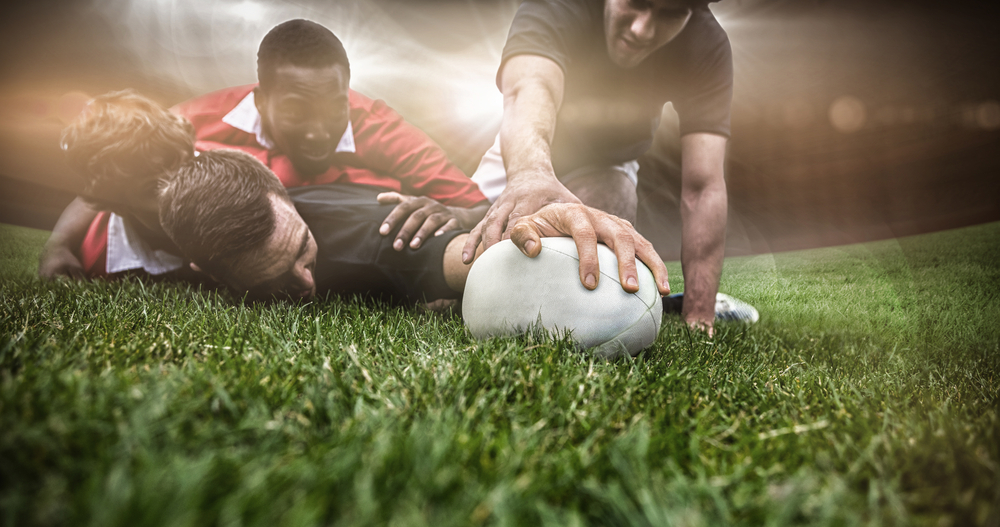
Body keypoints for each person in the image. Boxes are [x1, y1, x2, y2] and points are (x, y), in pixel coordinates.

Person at [38, 19, 488, 280]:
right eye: (296, 111)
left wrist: (456, 214)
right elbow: (112, 171)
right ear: (259, 101)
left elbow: (476, 206)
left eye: (334, 109)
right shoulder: (197, 121)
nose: (317, 132)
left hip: (345, 215)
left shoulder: (379, 129)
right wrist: (58, 245)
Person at [463, 0, 757, 333]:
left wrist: (699, 314)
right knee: (451, 275)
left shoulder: (706, 42)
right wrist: (530, 174)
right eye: (636, 3)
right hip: (524, 151)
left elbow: (703, 186)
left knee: (580, 260)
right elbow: (529, 87)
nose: (641, 29)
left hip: (609, 163)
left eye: (670, 14)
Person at [157, 148, 671, 305]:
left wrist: (544, 225)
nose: (307, 284)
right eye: (273, 283)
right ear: (208, 269)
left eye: (302, 252)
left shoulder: (380, 233)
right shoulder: (170, 256)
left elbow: (472, 258)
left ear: (284, 194)